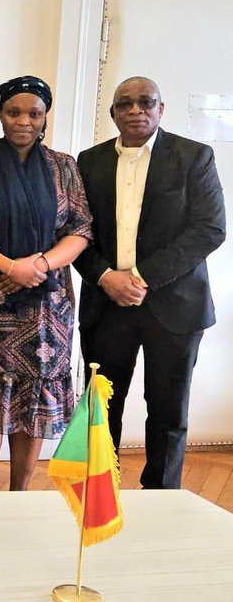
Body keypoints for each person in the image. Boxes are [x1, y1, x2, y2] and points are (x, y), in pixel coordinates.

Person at [74, 76, 225, 489]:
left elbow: (209, 229)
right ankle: (101, 494)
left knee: (168, 410)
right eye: (126, 104)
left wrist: (139, 278)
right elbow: (73, 232)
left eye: (146, 102)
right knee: (102, 409)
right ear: (114, 114)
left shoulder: (194, 157)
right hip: (107, 307)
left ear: (162, 109)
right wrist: (106, 277)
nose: (136, 110)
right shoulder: (88, 162)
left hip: (176, 307)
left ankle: (162, 497)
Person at [0, 76, 93, 491]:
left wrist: (39, 265)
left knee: (35, 388)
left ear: (46, 116)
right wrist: (11, 267)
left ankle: (21, 489)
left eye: (34, 113)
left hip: (48, 306)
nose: (24, 121)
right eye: (14, 112)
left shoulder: (64, 166)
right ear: (0, 114)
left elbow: (81, 229)